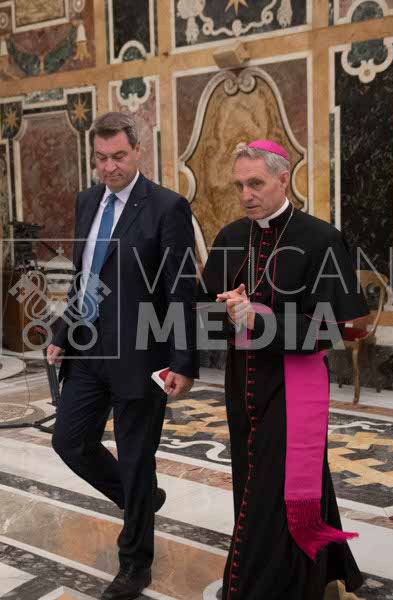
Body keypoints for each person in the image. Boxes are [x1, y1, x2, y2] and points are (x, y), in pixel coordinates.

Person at [198, 140, 369, 600]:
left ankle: (261, 588)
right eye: (239, 185)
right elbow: (202, 317)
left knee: (272, 487)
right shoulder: (230, 237)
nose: (246, 195)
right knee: (255, 481)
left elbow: (333, 329)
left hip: (293, 388)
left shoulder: (321, 239)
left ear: (283, 178)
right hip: (242, 384)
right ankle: (319, 572)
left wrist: (258, 319)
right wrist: (225, 312)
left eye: (255, 183)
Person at [47, 112, 198, 600]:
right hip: (89, 351)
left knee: (136, 459)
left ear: (137, 152)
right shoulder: (87, 201)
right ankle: (142, 500)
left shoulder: (167, 207)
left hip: (142, 354)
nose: (109, 167)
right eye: (101, 158)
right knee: (70, 442)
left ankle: (135, 565)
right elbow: (86, 275)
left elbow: (180, 288)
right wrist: (63, 331)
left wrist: (183, 360)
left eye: (118, 156)